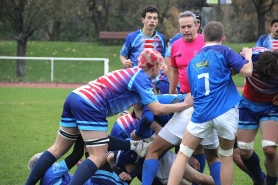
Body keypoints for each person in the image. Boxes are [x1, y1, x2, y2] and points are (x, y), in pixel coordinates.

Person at [25, 49, 193, 185]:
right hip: (91, 104)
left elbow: (142, 111)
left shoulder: (132, 72)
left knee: (57, 148)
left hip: (75, 96)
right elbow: (156, 109)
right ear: (155, 67)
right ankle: (135, 146)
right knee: (98, 155)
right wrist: (184, 104)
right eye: (161, 66)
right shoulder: (142, 78)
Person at [168, 21, 253, 185]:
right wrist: (248, 56)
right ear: (223, 37)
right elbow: (247, 71)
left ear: (203, 37)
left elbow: (195, 92)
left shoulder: (194, 61)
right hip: (225, 111)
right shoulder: (225, 51)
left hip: (201, 114)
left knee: (183, 154)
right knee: (226, 156)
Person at [236, 47, 278, 185]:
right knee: (244, 151)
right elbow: (234, 62)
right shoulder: (252, 56)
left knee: (270, 149)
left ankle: (271, 182)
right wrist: (245, 56)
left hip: (270, 107)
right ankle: (260, 179)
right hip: (248, 105)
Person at [28, 135, 128, 185]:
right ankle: (133, 145)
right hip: (100, 182)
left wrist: (82, 167)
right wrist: (82, 129)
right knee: (94, 140)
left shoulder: (44, 182)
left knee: (126, 165)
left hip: (98, 181)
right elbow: (76, 154)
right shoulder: (50, 173)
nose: (53, 161)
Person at [119, 5, 168, 94]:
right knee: (141, 105)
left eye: (155, 18)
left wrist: (164, 64)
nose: (152, 20)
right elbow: (122, 55)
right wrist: (125, 62)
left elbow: (163, 56)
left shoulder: (161, 38)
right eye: (149, 18)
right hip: (136, 76)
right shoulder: (132, 37)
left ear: (157, 21)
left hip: (155, 77)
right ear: (143, 20)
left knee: (153, 104)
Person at [164, 11, 202, 94]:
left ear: (196, 25)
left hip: (205, 96)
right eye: (183, 27)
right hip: (184, 96)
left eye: (189, 26)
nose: (186, 30)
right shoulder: (175, 45)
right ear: (179, 28)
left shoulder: (206, 42)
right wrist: (171, 93)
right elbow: (174, 72)